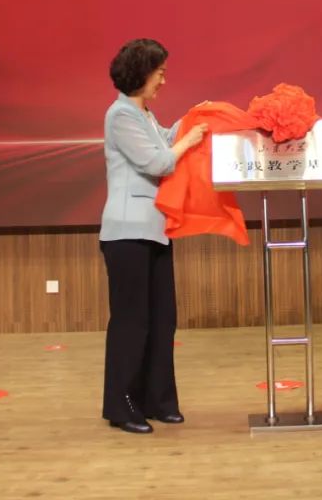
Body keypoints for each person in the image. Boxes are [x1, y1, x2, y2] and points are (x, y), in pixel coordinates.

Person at [99, 38, 207, 434]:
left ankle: (157, 401)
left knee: (163, 321)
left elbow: (166, 138)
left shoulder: (143, 114)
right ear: (142, 72)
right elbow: (158, 161)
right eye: (159, 72)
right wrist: (188, 140)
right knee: (132, 323)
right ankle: (122, 406)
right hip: (127, 233)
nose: (163, 79)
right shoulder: (120, 115)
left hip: (155, 231)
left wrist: (195, 119)